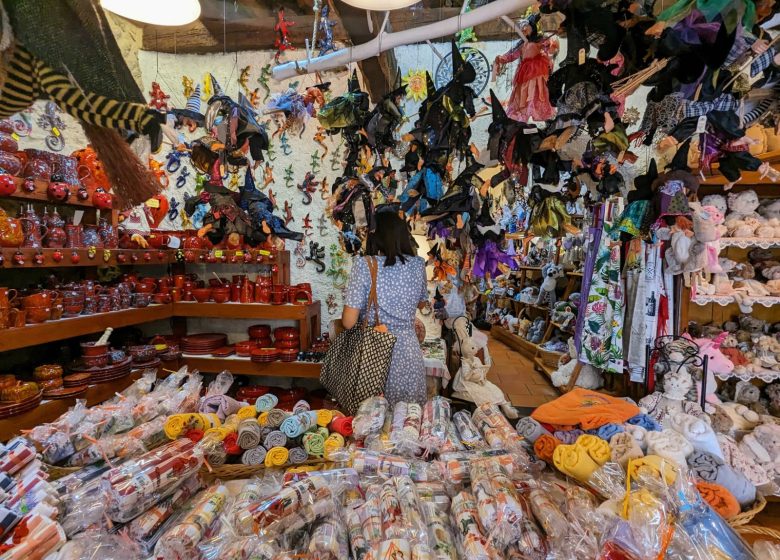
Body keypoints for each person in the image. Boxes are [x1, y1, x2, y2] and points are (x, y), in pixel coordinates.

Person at [342, 209, 428, 405]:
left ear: (375, 235)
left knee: (369, 422)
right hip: (408, 352)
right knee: (407, 422)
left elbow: (348, 322)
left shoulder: (365, 265)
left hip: (374, 352)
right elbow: (422, 303)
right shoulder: (418, 265)